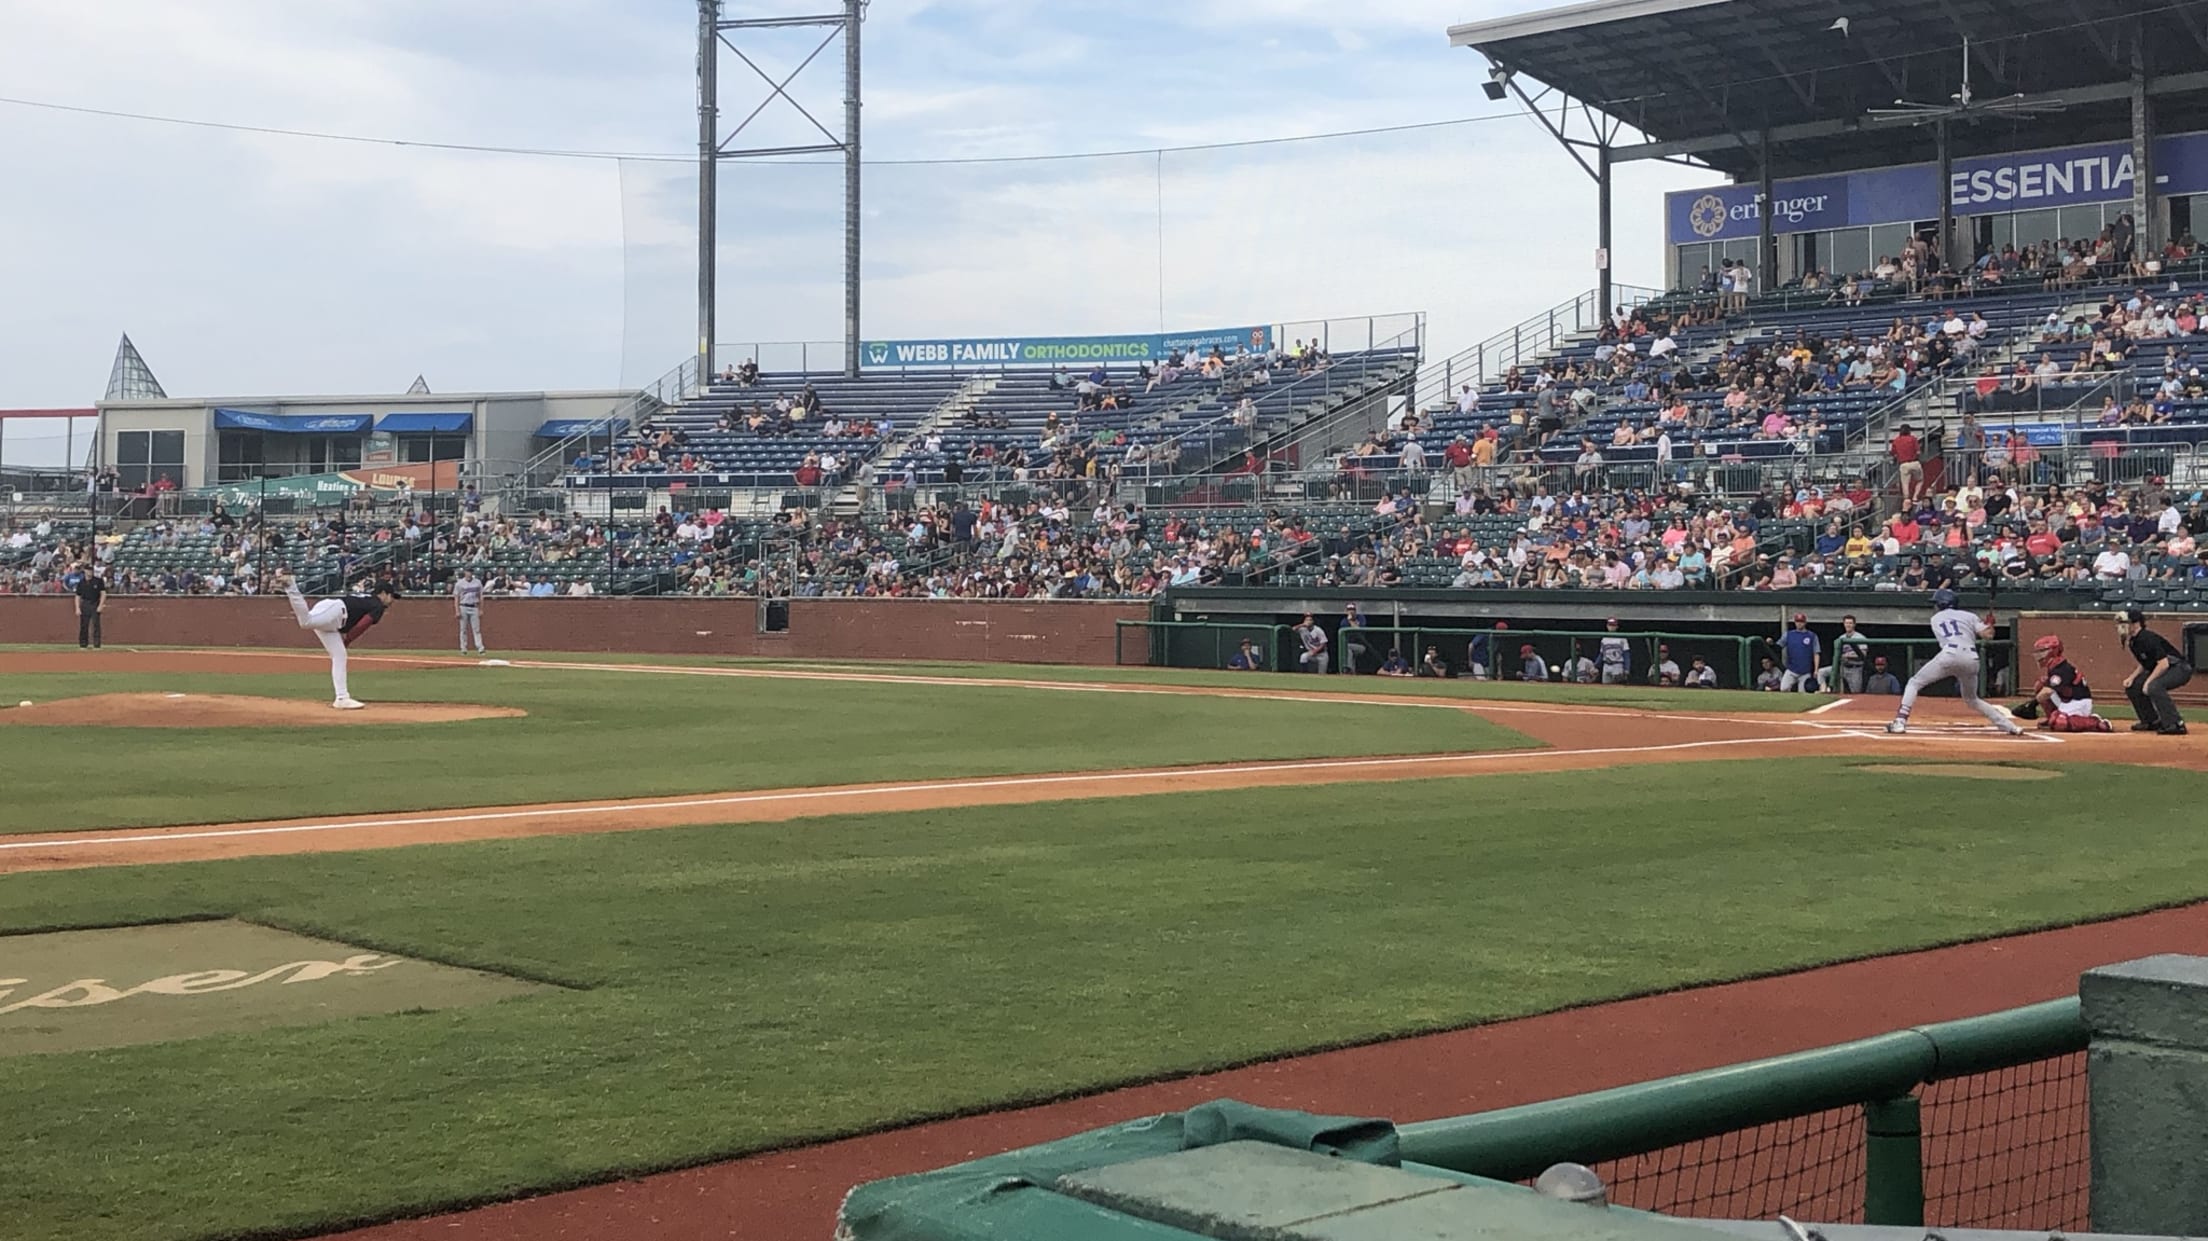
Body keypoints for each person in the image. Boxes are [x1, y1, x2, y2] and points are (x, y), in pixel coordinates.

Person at [1886, 589, 2025, 736]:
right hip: (1971, 658)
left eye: (1936, 604)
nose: (1935, 607)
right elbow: (1988, 635)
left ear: (1942, 604)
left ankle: (1900, 722)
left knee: (1914, 683)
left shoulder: (1936, 618)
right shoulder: (1969, 615)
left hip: (1950, 654)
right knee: (1972, 699)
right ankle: (2010, 726)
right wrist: (1990, 624)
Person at [280, 572, 400, 710]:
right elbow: (363, 624)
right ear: (383, 593)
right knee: (306, 622)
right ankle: (291, 586)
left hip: (334, 620)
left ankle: (342, 698)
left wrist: (346, 640)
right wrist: (348, 639)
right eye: (391, 597)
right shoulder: (378, 605)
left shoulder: (369, 599)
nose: (392, 601)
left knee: (339, 655)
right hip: (336, 611)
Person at [2010, 635, 2111, 732]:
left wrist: (2031, 704)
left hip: (2078, 702)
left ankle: (2095, 722)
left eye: (2042, 651)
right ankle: (2051, 718)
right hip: (2066, 700)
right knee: (2040, 684)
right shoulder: (2054, 666)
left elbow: (2047, 692)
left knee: (2059, 723)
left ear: (2052, 651)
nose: (2038, 655)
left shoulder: (2062, 669)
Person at [2117, 608, 2193, 734]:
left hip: (2179, 668)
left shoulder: (2147, 638)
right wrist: (2132, 677)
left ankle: (2175, 724)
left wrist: (2148, 682)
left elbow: (2163, 663)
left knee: (2154, 686)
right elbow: (2146, 663)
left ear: (2136, 624)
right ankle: (2151, 721)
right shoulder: (2134, 642)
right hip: (2166, 667)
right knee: (2134, 686)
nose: (2121, 627)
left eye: (2125, 623)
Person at [1779, 612, 1822, 693]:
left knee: (1803, 693)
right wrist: (1771, 643)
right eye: (1797, 621)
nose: (1799, 623)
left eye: (1801, 621)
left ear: (1805, 622)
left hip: (1805, 671)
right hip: (1791, 669)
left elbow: (1816, 653)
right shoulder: (1789, 634)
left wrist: (1816, 670)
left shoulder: (1811, 636)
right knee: (1783, 688)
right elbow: (1778, 646)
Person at [1831, 615, 1870, 693]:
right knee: (1822, 672)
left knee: (1856, 692)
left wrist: (1848, 656)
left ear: (1854, 624)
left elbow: (1863, 654)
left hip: (1855, 668)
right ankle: (1826, 691)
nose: (1848, 625)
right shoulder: (1841, 637)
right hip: (1843, 668)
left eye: (1850, 623)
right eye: (1846, 623)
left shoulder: (1860, 637)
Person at [453, 566, 487, 655]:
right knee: (463, 629)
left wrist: (481, 609)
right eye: (468, 571)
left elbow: (481, 597)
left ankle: (480, 648)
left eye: (471, 571)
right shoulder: (459, 583)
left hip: (474, 606)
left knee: (476, 629)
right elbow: (456, 598)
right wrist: (457, 610)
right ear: (465, 572)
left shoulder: (477, 582)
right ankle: (463, 648)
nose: (469, 573)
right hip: (463, 606)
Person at [72, 562, 105, 649]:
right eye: (88, 570)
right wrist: (77, 608)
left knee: (96, 625)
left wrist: (101, 605)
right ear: (85, 571)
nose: (90, 572)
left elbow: (103, 593)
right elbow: (78, 596)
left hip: (95, 603)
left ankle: (96, 644)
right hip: (85, 604)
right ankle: (83, 644)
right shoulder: (81, 582)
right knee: (84, 625)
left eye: (91, 570)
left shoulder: (98, 581)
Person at [1337, 602, 1372, 675]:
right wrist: (1348, 620)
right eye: (1349, 609)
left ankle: (1348, 670)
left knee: (1348, 648)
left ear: (1355, 611)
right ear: (1346, 611)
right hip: (1348, 646)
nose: (1351, 611)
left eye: (1353, 609)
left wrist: (1350, 621)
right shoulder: (1344, 621)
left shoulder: (1361, 618)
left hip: (1361, 645)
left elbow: (1357, 630)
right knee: (1349, 652)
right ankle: (1352, 672)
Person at [1598, 618, 1631, 685]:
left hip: (1617, 665)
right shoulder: (1604, 639)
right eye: (1610, 625)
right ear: (1607, 626)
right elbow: (1601, 655)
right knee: (1605, 686)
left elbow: (1626, 655)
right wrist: (1595, 666)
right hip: (1606, 665)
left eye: (1613, 625)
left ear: (1617, 626)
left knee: (1617, 686)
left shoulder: (1622, 638)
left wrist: (1627, 668)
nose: (1611, 627)